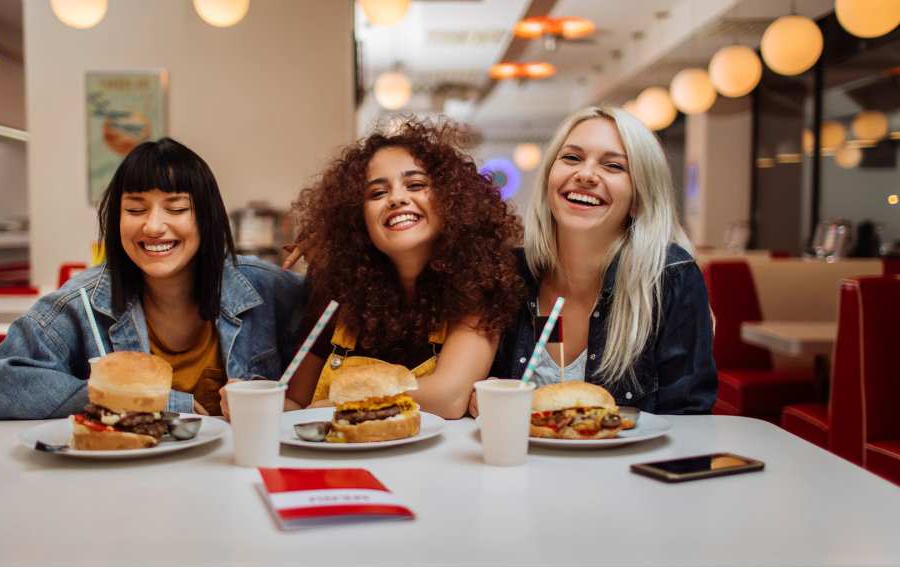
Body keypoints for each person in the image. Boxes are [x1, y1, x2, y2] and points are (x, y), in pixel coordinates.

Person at [0, 138, 305, 419]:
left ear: (207, 218)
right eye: (135, 210)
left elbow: (344, 326)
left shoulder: (264, 287)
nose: (153, 226)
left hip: (238, 478)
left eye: (176, 208)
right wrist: (136, 400)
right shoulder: (82, 302)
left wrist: (334, 251)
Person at [283, 119, 524, 419]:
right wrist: (252, 400)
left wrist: (345, 405)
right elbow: (295, 402)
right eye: (377, 193)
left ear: (451, 201)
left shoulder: (478, 286)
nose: (397, 198)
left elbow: (449, 396)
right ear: (358, 219)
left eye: (416, 185)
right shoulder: (336, 294)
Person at [489, 106, 717, 415]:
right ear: (547, 179)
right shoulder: (510, 274)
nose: (585, 174)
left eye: (613, 166)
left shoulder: (670, 277)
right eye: (571, 158)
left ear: (639, 197)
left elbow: (689, 418)